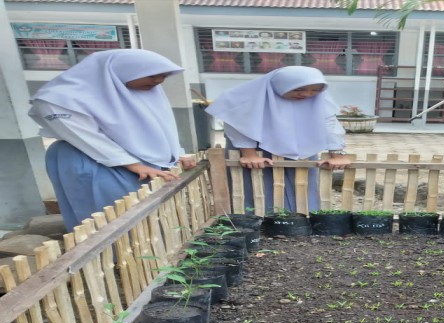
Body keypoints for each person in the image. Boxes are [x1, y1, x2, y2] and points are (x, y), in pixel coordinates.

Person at [29, 49, 196, 232]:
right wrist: (134, 165)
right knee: (105, 217)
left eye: (164, 76)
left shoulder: (144, 91)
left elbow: (161, 126)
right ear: (123, 70)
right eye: (152, 75)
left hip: (142, 165)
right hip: (92, 162)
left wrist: (175, 154)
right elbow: (83, 137)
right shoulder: (59, 98)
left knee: (148, 222)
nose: (158, 81)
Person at [205, 66, 350, 213]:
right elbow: (238, 123)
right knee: (256, 188)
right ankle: (256, 219)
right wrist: (249, 154)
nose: (307, 94)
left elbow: (330, 124)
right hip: (257, 151)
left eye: (315, 90)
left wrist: (337, 155)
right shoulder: (246, 97)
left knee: (302, 189)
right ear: (279, 85)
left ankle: (304, 218)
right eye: (298, 89)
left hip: (302, 152)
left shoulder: (318, 99)